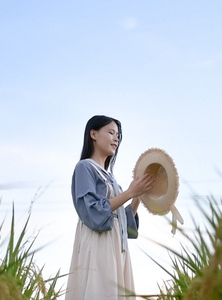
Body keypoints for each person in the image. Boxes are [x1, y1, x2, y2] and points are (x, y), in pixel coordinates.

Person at [65, 115, 155, 300]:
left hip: (116, 245)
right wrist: (129, 192)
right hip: (98, 242)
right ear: (93, 134)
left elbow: (123, 223)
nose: (116, 139)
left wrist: (137, 195)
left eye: (118, 136)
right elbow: (93, 212)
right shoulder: (85, 167)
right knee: (100, 291)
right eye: (111, 133)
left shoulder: (111, 177)